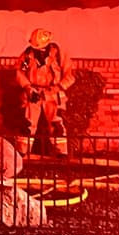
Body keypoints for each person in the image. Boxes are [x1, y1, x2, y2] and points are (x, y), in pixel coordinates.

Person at [15, 28, 76, 156]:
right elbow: (19, 73)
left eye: (41, 48)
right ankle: (22, 153)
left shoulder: (59, 55)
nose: (39, 51)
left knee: (56, 123)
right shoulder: (27, 55)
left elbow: (70, 75)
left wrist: (59, 87)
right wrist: (27, 87)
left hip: (53, 94)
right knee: (28, 123)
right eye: (37, 48)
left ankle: (61, 153)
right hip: (33, 92)